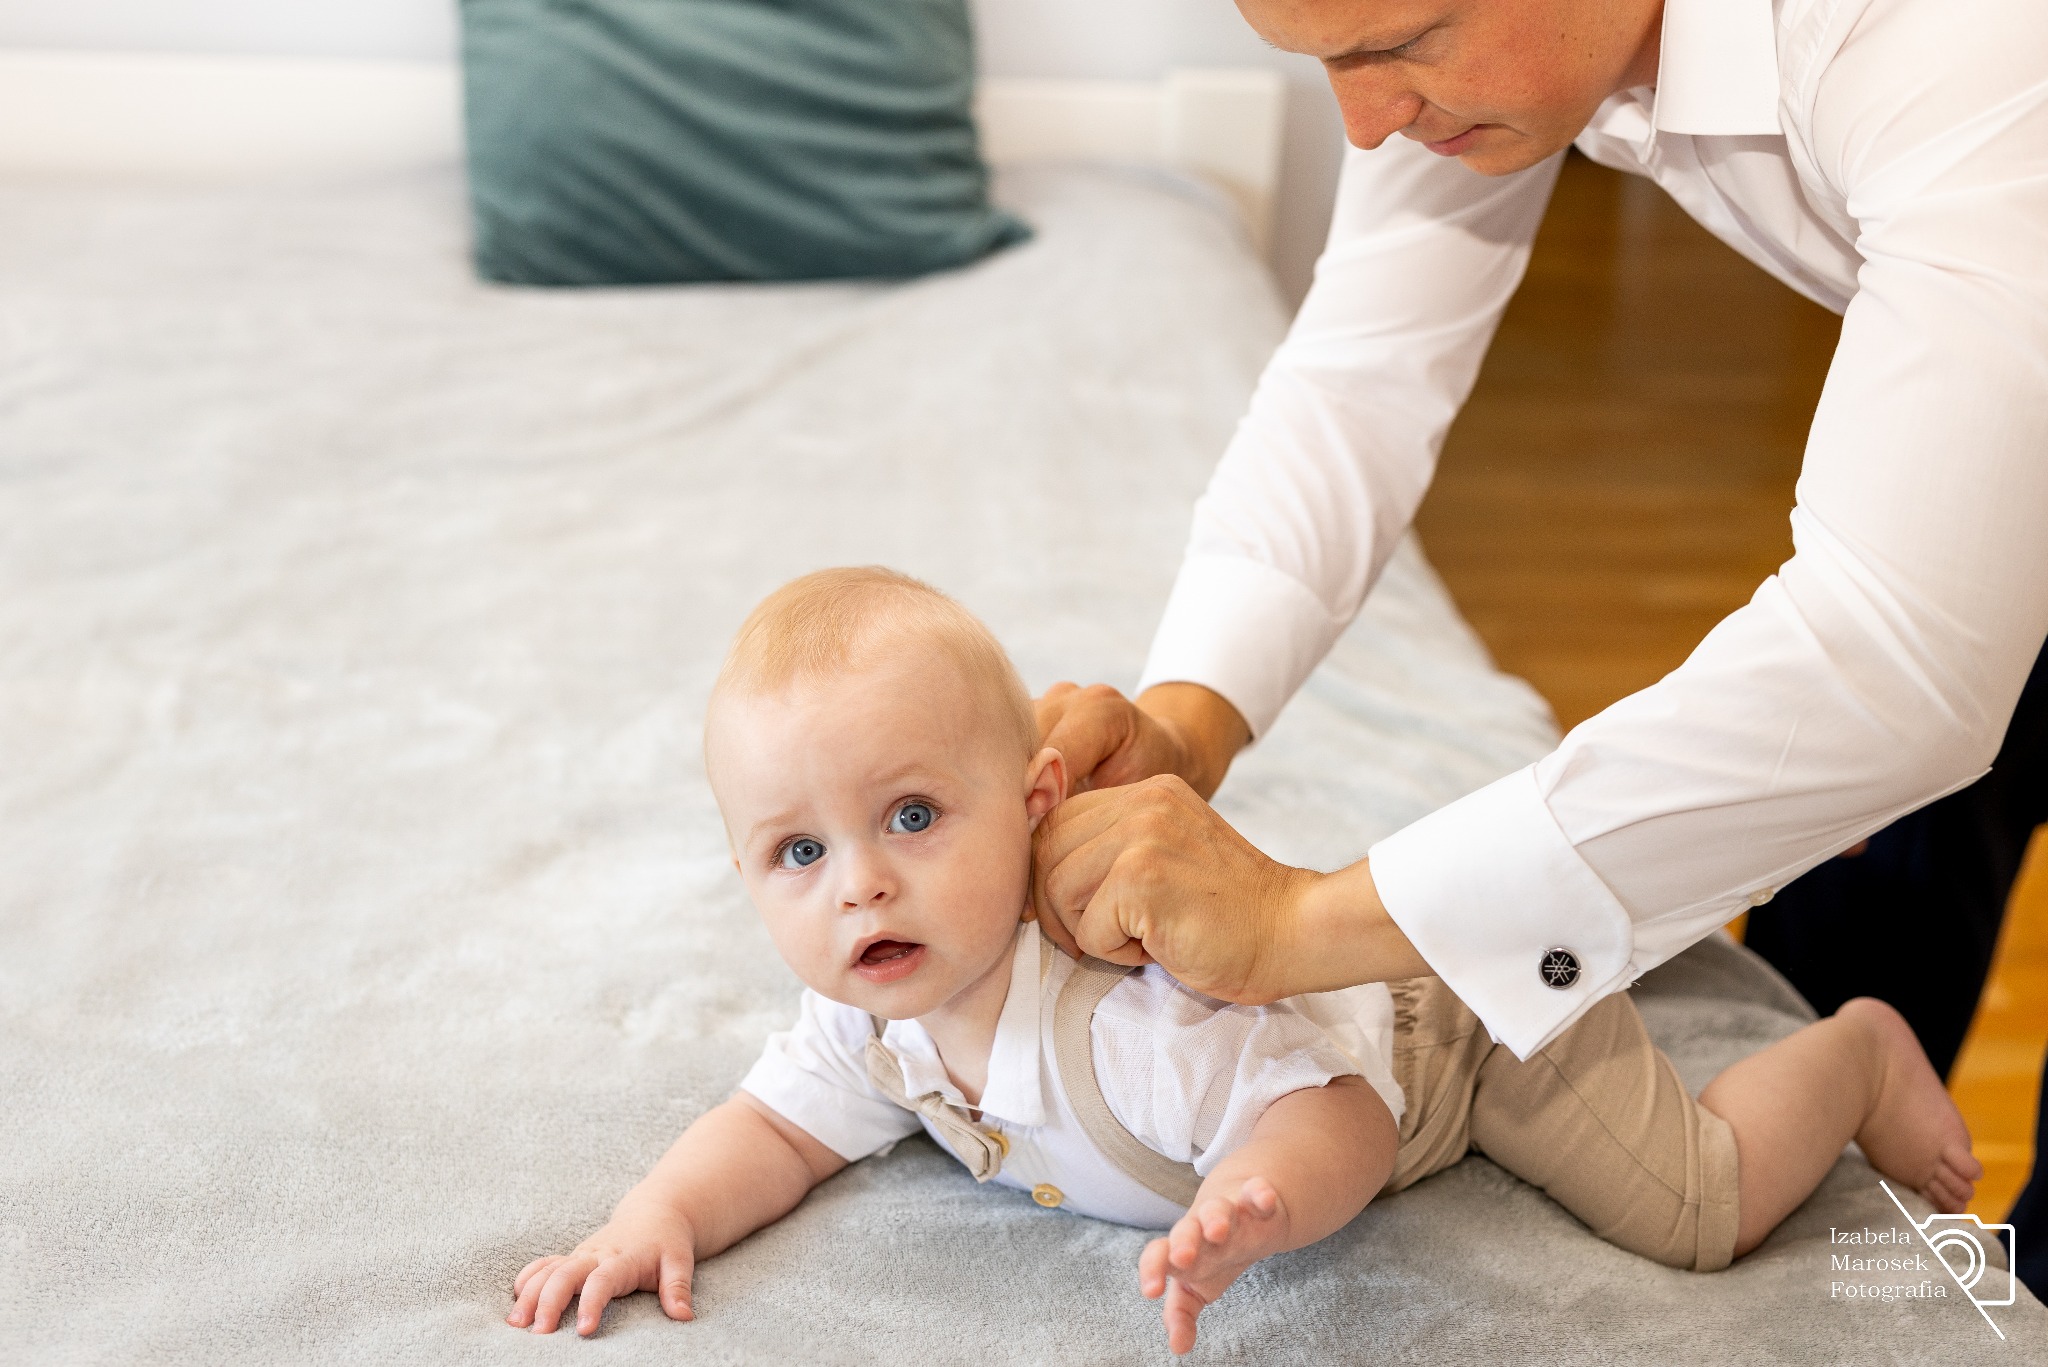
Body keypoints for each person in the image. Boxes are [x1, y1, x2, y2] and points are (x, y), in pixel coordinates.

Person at [1028, 0, 2048, 1290]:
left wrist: (1306, 921)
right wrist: (1186, 719)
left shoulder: (1947, 38)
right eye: (1320, 62)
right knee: (1848, 915)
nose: (1364, 121)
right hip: (1989, 444)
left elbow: (1901, 658)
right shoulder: (1503, 58)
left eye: (1396, 44)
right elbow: (1365, 374)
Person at [506, 568, 1979, 1353]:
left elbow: (1336, 1114)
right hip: (1360, 998)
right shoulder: (869, 1013)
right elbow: (770, 1129)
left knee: (1694, 1210)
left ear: (1031, 807)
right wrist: (653, 1218)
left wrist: (1256, 1203)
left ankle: (1855, 1048)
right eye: (798, 854)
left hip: (1454, 1033)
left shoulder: (1134, 1017)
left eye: (910, 815)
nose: (861, 884)